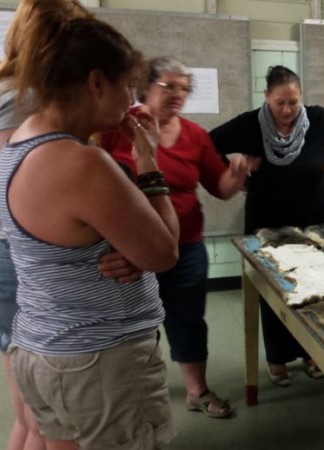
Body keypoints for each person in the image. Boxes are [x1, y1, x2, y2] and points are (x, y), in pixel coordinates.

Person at [0, 16, 180, 449]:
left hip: (40, 346)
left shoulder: (20, 140)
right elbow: (164, 251)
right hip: (100, 356)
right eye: (126, 85)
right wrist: (148, 162)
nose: (131, 99)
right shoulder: (81, 162)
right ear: (96, 83)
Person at [102, 56, 258, 418]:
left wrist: (237, 173)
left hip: (185, 246)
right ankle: (138, 397)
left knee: (188, 318)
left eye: (184, 88)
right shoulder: (117, 128)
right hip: (130, 248)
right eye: (169, 85)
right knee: (136, 326)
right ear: (146, 88)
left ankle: (196, 391)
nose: (178, 94)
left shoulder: (195, 135)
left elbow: (219, 189)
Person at [210, 65, 324, 385]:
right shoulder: (250, 125)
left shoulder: (318, 119)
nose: (289, 110)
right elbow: (209, 144)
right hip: (268, 219)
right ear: (266, 97)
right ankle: (277, 358)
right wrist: (237, 176)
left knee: (317, 287)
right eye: (281, 103)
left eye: (294, 102)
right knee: (274, 291)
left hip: (315, 216)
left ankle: (311, 353)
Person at [0, 2, 102, 450]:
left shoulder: (10, 91)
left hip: (12, 256)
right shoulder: (23, 99)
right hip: (24, 259)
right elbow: (25, 190)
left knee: (29, 415)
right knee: (51, 419)